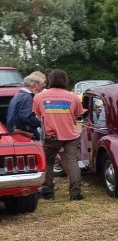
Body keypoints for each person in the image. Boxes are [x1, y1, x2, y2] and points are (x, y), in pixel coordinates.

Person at [33, 69, 85, 200]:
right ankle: (75, 194)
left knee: (48, 163)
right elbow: (78, 114)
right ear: (65, 80)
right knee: (73, 162)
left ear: (50, 80)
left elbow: (39, 116)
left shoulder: (39, 97)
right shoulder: (72, 96)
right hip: (71, 135)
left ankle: (48, 192)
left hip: (51, 136)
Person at [6, 71, 45, 137]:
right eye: (40, 87)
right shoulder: (27, 97)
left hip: (15, 131)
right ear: (34, 85)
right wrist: (41, 123)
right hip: (25, 132)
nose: (41, 90)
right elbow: (26, 117)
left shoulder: (18, 95)